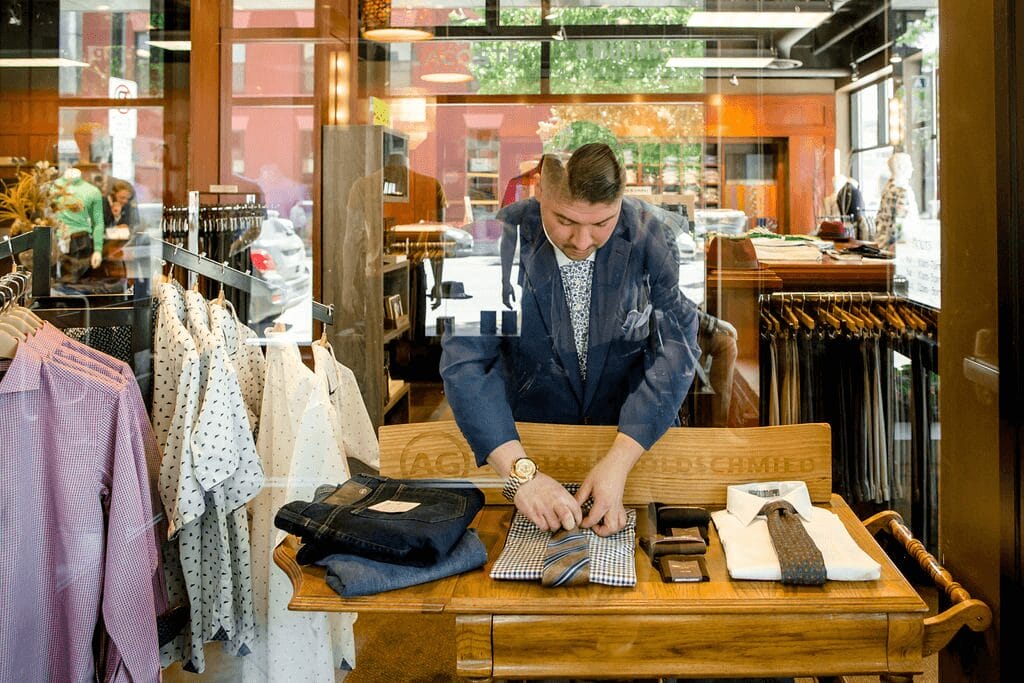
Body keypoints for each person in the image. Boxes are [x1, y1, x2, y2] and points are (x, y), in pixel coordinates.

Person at [441, 144, 700, 537]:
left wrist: (619, 459)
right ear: (539, 190)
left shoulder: (657, 236)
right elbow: (466, 366)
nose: (582, 241)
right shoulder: (486, 241)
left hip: (635, 444)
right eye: (565, 220)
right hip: (529, 444)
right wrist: (521, 474)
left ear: (621, 198)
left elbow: (677, 353)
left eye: (601, 223)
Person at [53, 166, 104, 282]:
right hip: (55, 240)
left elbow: (98, 222)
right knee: (51, 286)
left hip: (80, 242)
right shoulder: (52, 188)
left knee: (75, 286)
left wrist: (98, 250)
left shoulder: (92, 191)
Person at [874, 152, 918, 250]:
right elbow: (901, 224)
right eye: (910, 166)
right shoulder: (902, 191)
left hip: (882, 243)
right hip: (895, 248)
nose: (912, 169)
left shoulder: (887, 188)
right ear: (902, 167)